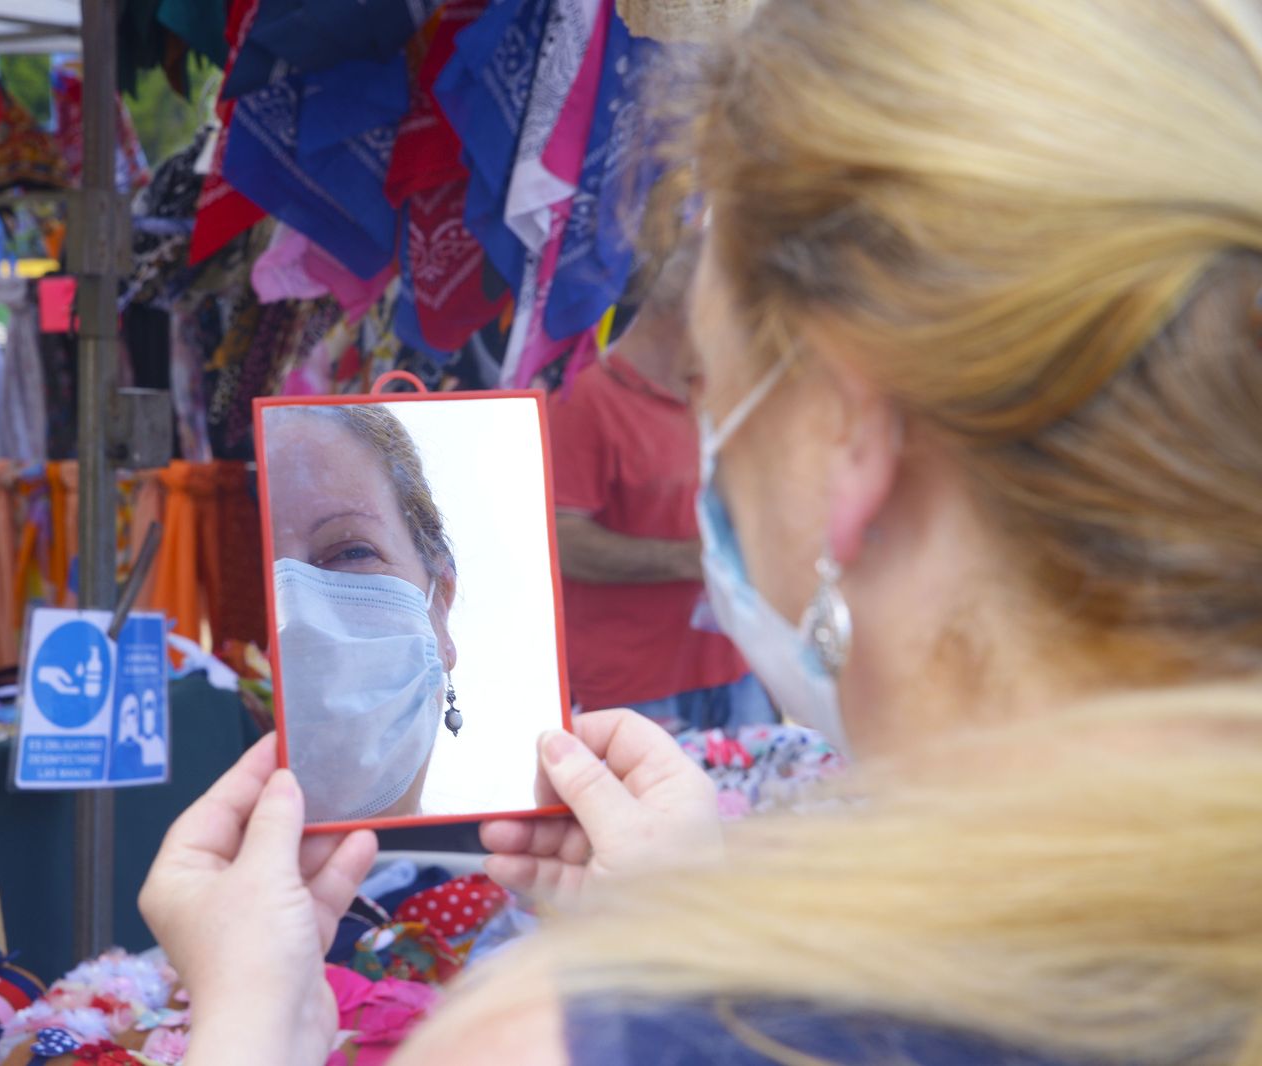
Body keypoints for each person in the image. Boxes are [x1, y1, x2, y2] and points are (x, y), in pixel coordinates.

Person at [140, 1, 1262, 1063]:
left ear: (848, 439)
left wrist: (254, 1021)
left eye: (717, 387)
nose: (707, 440)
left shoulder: (569, 1037)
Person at [551, 235, 773, 731]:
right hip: (635, 687)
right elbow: (560, 539)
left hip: (738, 666)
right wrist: (683, 558)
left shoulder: (716, 391)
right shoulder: (585, 396)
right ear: (698, 315)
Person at [262, 404, 460, 823]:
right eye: (252, 571)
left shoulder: (518, 884)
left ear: (439, 606)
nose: (296, 620)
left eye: (352, 552)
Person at [137, 688, 168, 767]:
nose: (149, 713)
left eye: (151, 707)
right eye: (147, 706)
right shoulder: (136, 744)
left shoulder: (159, 744)